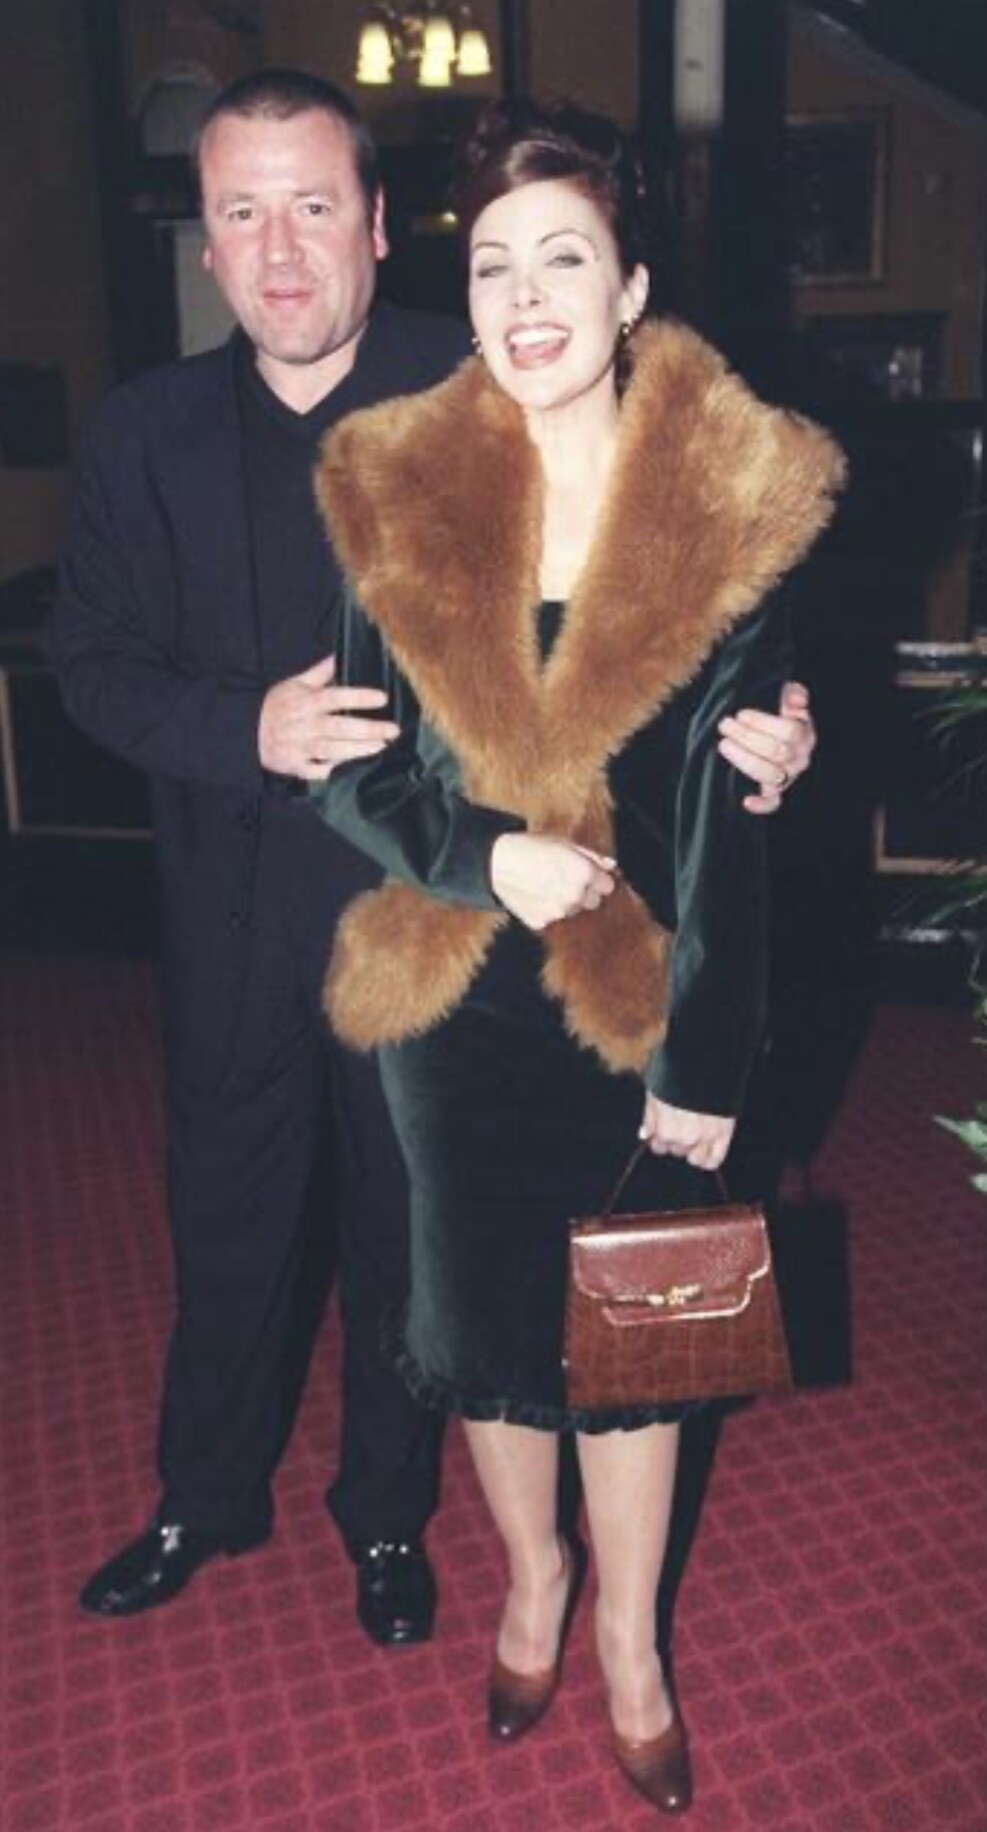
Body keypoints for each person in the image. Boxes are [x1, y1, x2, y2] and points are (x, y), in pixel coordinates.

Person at [46, 71, 818, 1653]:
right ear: (206, 238)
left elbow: (677, 604)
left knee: (424, 1256)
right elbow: (88, 664)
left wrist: (780, 733)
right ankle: (204, 1493)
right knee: (235, 1211)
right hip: (254, 897)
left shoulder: (477, 383)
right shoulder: (149, 432)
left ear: (377, 226)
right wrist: (240, 727)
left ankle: (389, 1522)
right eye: (242, 212)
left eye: (313, 206)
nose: (279, 248)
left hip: (483, 921)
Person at [307, 98, 844, 1811]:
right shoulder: (391, 488)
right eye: (493, 265)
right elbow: (354, 771)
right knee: (482, 1329)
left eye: (565, 259)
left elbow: (733, 820)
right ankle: (532, 1581)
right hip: (458, 991)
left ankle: (629, 1640)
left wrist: (707, 1063)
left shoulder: (733, 498)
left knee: (640, 1337)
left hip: (645, 998)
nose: (526, 298)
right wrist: (487, 851)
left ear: (631, 290)